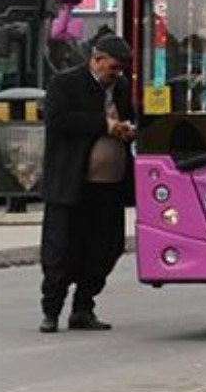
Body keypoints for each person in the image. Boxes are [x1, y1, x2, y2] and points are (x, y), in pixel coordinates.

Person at [38, 32, 135, 333]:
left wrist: (128, 129)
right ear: (96, 59)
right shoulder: (65, 84)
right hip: (72, 185)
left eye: (120, 70)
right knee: (62, 249)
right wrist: (103, 125)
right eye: (112, 68)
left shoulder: (120, 88)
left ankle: (83, 307)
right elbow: (58, 121)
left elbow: (130, 117)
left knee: (105, 247)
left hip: (109, 186)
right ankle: (52, 310)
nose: (115, 75)